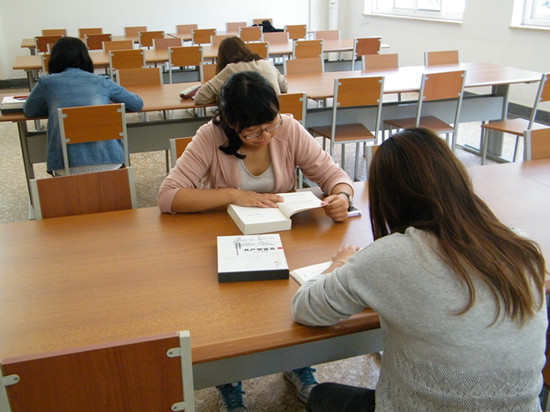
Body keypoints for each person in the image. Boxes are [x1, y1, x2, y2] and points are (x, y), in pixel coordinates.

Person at [292, 127, 548, 412]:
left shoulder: (393, 255)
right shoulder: (519, 245)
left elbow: (305, 308)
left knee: (322, 395)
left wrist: (339, 262)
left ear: (388, 196)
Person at [159, 71, 354, 411]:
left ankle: (298, 363)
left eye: (270, 125)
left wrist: (342, 196)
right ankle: (229, 380)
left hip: (285, 238)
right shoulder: (210, 136)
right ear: (231, 124)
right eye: (252, 131)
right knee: (231, 313)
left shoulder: (288, 128)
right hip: (230, 241)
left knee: (294, 300)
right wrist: (233, 195)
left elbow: (333, 174)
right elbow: (168, 196)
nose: (265, 136)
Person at [23, 36, 143, 175]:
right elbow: (136, 104)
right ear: (85, 58)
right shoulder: (101, 81)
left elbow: (29, 110)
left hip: (66, 164)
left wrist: (53, 106)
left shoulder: (47, 83)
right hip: (109, 160)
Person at [193, 36, 288, 105]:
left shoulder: (231, 69)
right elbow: (284, 87)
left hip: (245, 121)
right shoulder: (267, 63)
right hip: (274, 117)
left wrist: (220, 97)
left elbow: (200, 98)